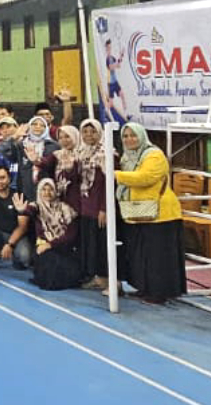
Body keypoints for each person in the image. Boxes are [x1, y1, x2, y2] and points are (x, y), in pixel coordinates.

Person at [115, 122, 185, 304]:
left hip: (161, 215)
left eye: (133, 135)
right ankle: (145, 287)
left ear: (142, 136)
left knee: (157, 257)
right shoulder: (127, 158)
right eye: (125, 136)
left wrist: (115, 175)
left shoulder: (154, 155)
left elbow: (145, 178)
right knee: (141, 255)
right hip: (138, 212)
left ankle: (159, 293)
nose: (129, 139)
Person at [28, 178, 83, 291]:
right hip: (45, 247)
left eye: (50, 189)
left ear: (56, 191)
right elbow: (27, 211)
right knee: (48, 262)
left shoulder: (65, 208)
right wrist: (21, 210)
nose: (47, 193)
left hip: (64, 247)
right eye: (44, 190)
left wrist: (51, 244)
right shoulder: (37, 207)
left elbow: (71, 235)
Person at [74, 119, 109, 289]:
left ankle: (104, 278)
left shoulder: (107, 154)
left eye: (93, 131)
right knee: (88, 244)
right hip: (84, 206)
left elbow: (109, 184)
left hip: (98, 208)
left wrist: (104, 208)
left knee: (101, 244)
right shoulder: (80, 153)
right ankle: (92, 275)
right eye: (85, 132)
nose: (89, 135)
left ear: (100, 133)